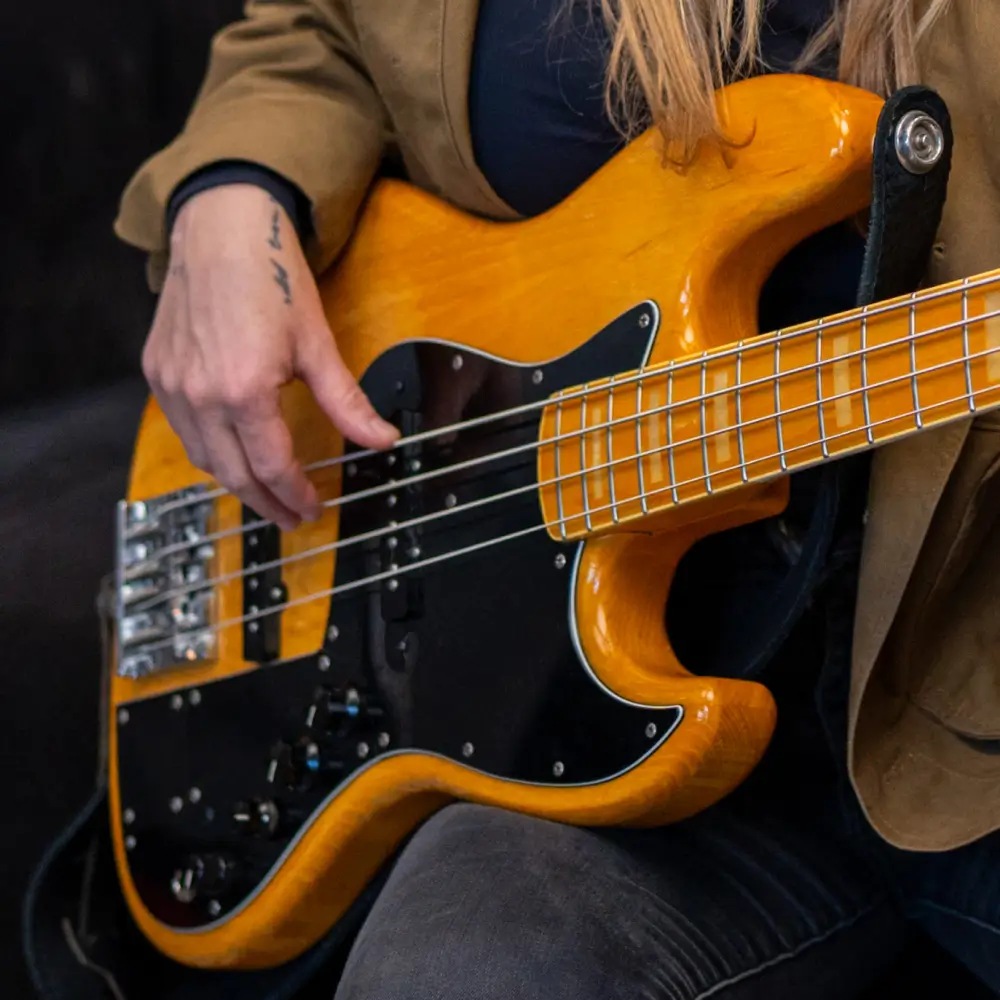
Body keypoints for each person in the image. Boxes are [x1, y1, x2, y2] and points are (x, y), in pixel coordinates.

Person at [111, 1, 1000, 996]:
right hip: (580, 734)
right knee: (451, 974)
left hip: (967, 715)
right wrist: (234, 194)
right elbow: (315, 30)